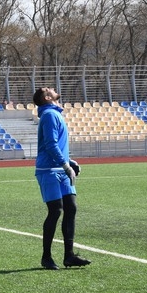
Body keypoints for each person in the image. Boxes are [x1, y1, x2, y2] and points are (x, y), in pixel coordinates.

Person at [33, 87, 91, 270]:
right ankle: (46, 257)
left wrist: (70, 162)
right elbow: (50, 144)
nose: (53, 89)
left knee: (71, 207)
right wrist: (65, 165)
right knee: (56, 210)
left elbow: (58, 145)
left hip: (61, 168)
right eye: (49, 90)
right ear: (47, 97)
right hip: (49, 170)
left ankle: (69, 256)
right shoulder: (50, 115)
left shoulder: (54, 114)